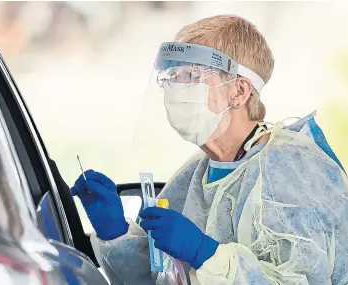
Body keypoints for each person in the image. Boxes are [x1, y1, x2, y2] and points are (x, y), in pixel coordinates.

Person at [72, 15, 348, 284]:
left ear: (239, 91)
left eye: (191, 75)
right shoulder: (195, 174)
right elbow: (163, 278)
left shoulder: (292, 169)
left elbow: (305, 279)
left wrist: (206, 254)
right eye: (172, 75)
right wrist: (115, 232)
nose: (174, 88)